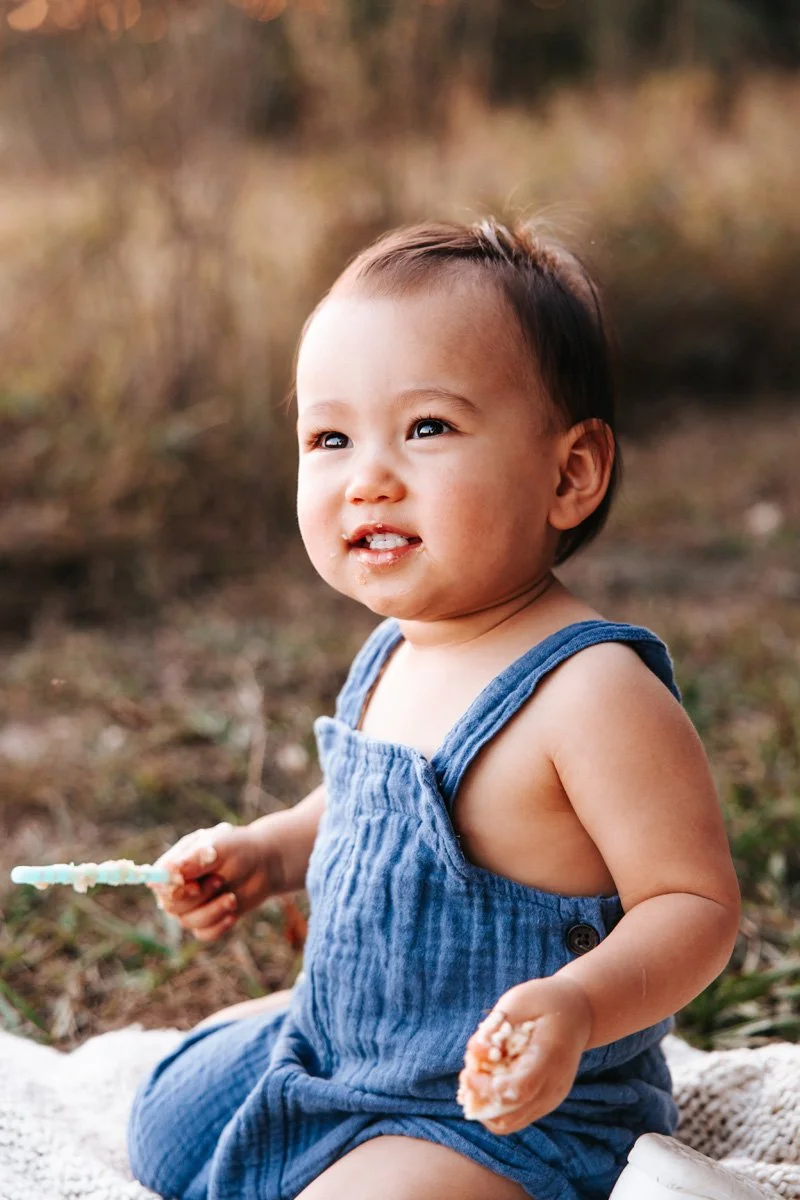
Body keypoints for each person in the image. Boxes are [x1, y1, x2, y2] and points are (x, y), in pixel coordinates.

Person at [127, 219, 742, 1200]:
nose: (366, 474)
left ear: (567, 473)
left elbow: (694, 906)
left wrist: (578, 1006)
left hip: (502, 1110)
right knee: (162, 1121)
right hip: (342, 1055)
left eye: (426, 428)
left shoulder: (589, 691)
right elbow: (372, 811)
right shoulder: (394, 654)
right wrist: (270, 852)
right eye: (329, 437)